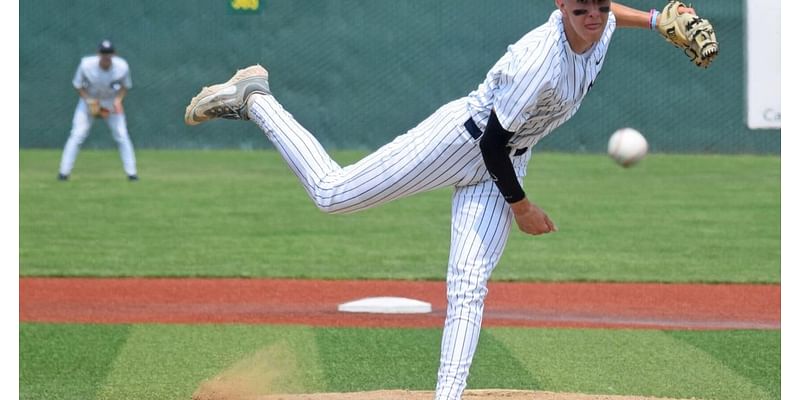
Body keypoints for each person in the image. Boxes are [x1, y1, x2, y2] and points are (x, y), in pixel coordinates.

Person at [184, 1, 714, 398]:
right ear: (559, 5)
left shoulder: (598, 25)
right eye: (582, 8)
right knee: (331, 193)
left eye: (600, 5)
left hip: (507, 154)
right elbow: (491, 143)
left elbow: (608, 16)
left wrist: (653, 19)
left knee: (468, 286)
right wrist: (522, 207)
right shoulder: (540, 60)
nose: (594, 16)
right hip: (464, 141)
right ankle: (255, 97)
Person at [58, 39, 138, 181]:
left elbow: (125, 86)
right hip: (89, 100)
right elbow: (77, 85)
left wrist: (118, 101)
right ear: (98, 53)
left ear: (114, 54)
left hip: (110, 102)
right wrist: (89, 100)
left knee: (122, 134)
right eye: (103, 53)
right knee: (77, 134)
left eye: (109, 53)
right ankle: (63, 173)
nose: (106, 56)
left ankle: (132, 174)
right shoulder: (86, 64)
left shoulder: (122, 66)